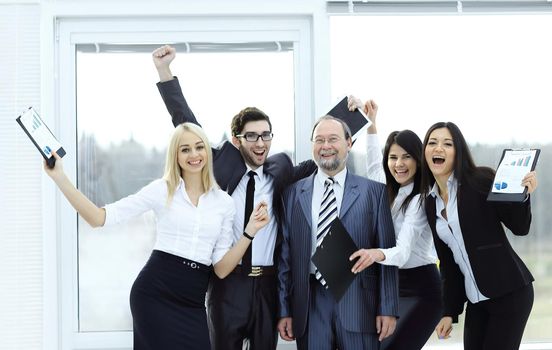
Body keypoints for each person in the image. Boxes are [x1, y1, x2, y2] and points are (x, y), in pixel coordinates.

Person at [44, 123, 270, 350]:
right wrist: (60, 178)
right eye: (185, 149)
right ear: (176, 155)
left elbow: (221, 268)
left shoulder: (224, 203)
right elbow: (98, 218)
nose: (194, 155)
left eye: (199, 147)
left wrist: (249, 231)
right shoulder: (162, 190)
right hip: (154, 294)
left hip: (192, 302)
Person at [152, 45, 317, 350]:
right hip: (228, 284)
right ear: (236, 139)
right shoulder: (219, 165)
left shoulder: (280, 170)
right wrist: (164, 72)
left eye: (266, 135)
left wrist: (353, 121)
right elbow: (183, 120)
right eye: (252, 136)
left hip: (268, 286)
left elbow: (323, 155)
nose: (260, 142)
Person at [277, 115, 399, 350]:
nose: (326, 146)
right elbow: (285, 258)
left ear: (349, 143)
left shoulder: (374, 193)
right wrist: (284, 309)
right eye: (319, 140)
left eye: (333, 139)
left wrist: (388, 307)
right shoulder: (292, 194)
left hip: (359, 302)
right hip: (310, 304)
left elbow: (387, 252)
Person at [419, 121, 538, 350]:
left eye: (447, 143)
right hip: (477, 300)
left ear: (458, 152)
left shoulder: (480, 181)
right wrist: (449, 311)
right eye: (432, 143)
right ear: (425, 151)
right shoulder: (430, 203)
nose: (438, 148)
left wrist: (523, 196)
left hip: (510, 292)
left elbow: (520, 227)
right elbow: (449, 264)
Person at [344, 97, 442, 350]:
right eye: (394, 157)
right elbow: (375, 162)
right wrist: (371, 123)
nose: (399, 164)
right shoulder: (384, 189)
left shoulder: (421, 200)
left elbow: (402, 252)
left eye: (406, 157)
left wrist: (373, 253)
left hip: (423, 289)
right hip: (391, 285)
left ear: (418, 160)